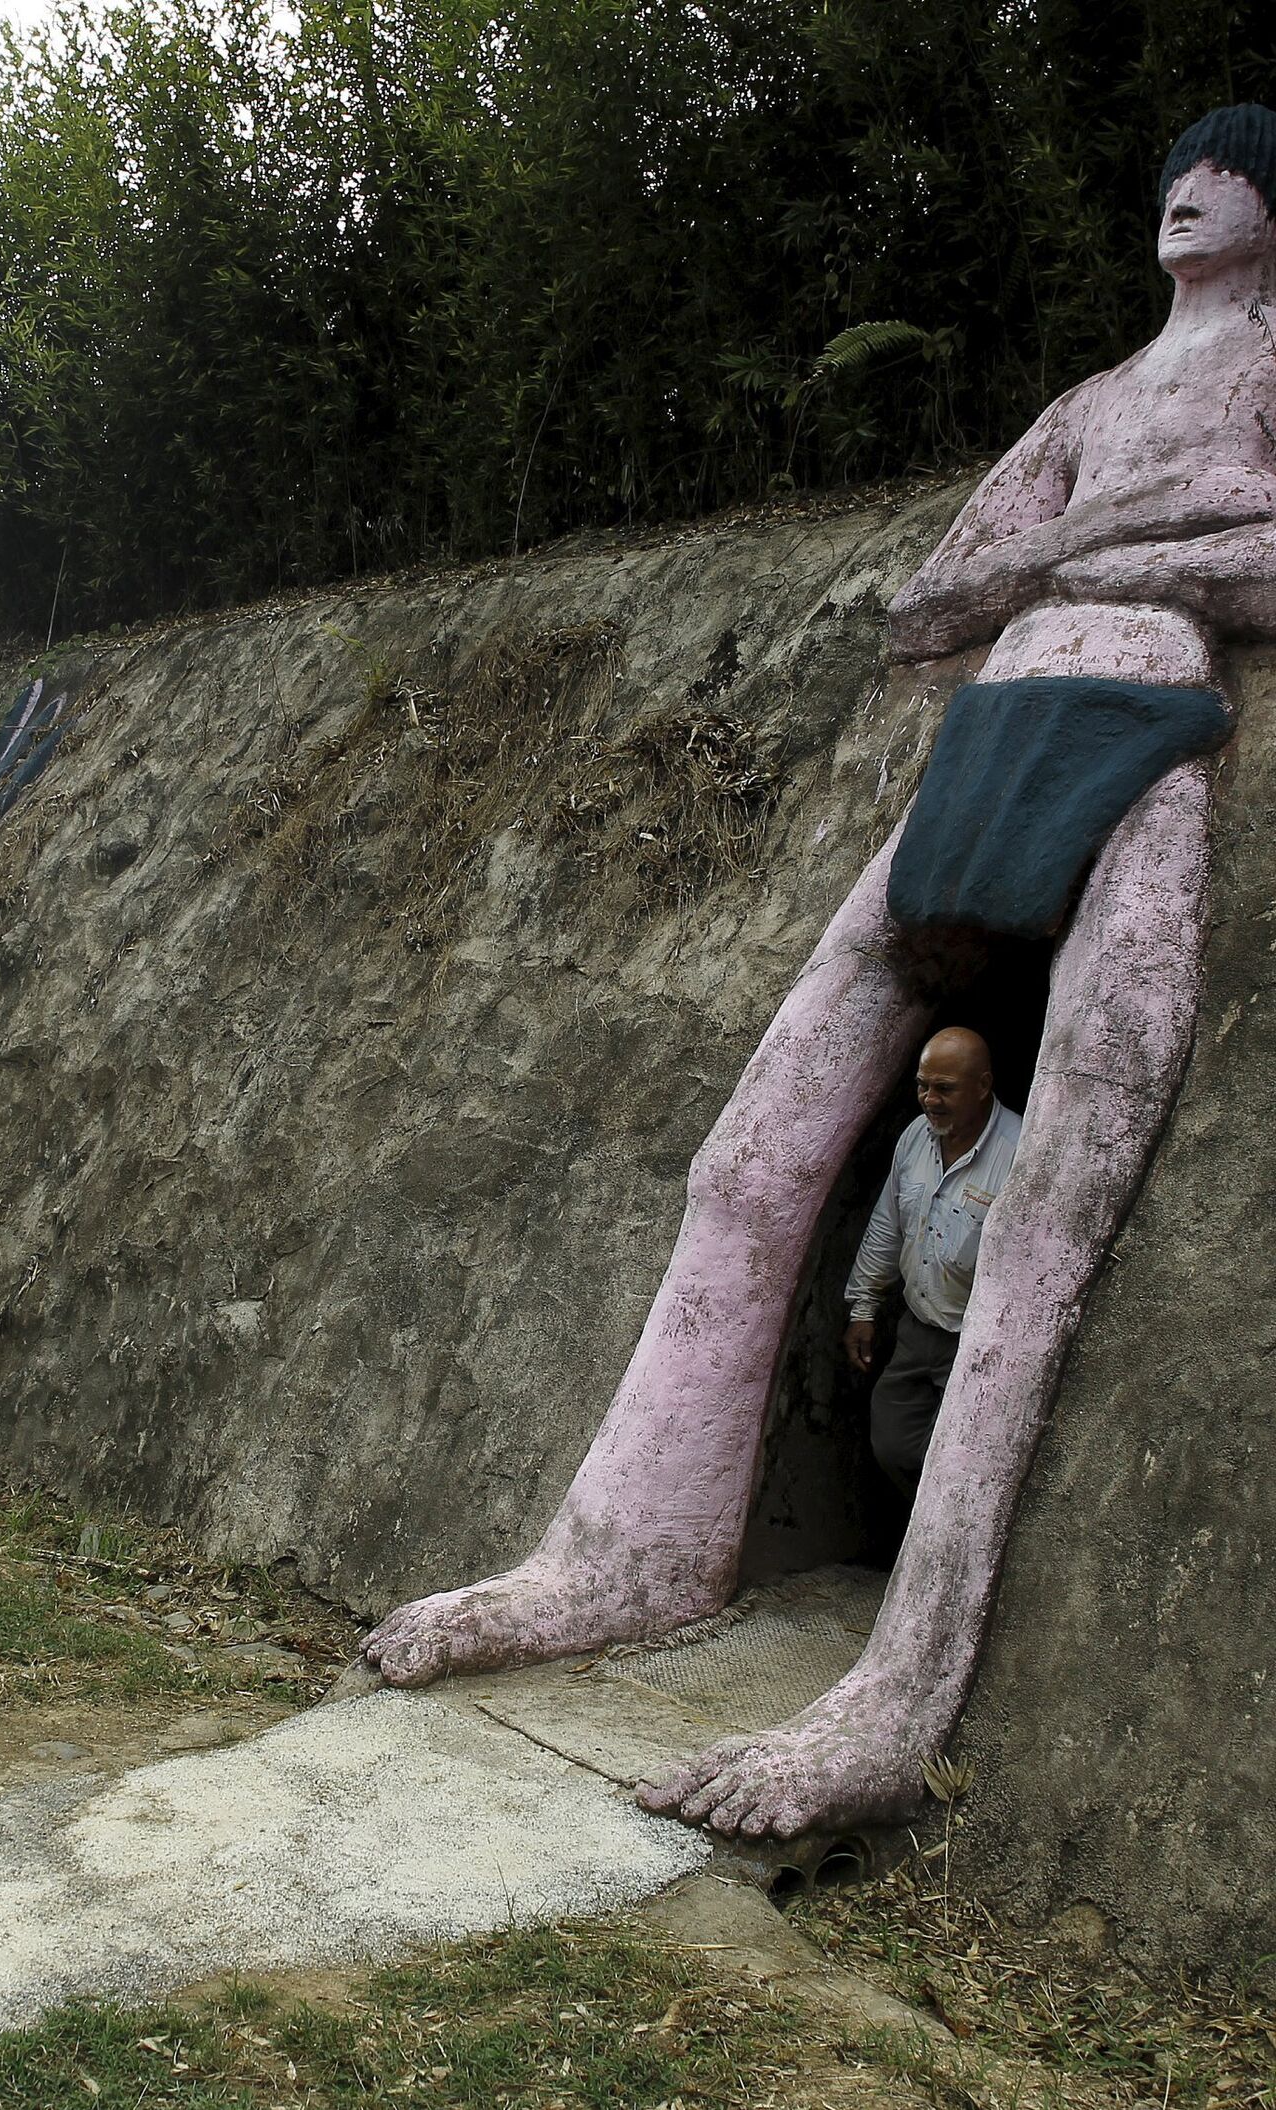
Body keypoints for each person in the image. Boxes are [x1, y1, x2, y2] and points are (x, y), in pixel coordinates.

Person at [360, 105, 1276, 1841]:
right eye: (1177, 169)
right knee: (748, 1156)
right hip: (990, 732)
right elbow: (931, 599)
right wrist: (1106, 547)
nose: (1191, 190)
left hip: (1158, 717)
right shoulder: (1087, 407)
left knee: (1056, 1206)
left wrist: (1115, 560)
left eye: (1228, 168)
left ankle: (899, 1686)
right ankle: (615, 1556)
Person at [842, 1029, 1021, 1492]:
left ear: (983, 1086)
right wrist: (864, 1307)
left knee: (962, 1460)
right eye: (922, 1086)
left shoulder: (1020, 1152)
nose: (930, 1100)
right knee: (892, 1443)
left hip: (976, 1343)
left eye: (944, 1088)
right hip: (918, 1328)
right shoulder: (916, 1137)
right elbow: (888, 1224)